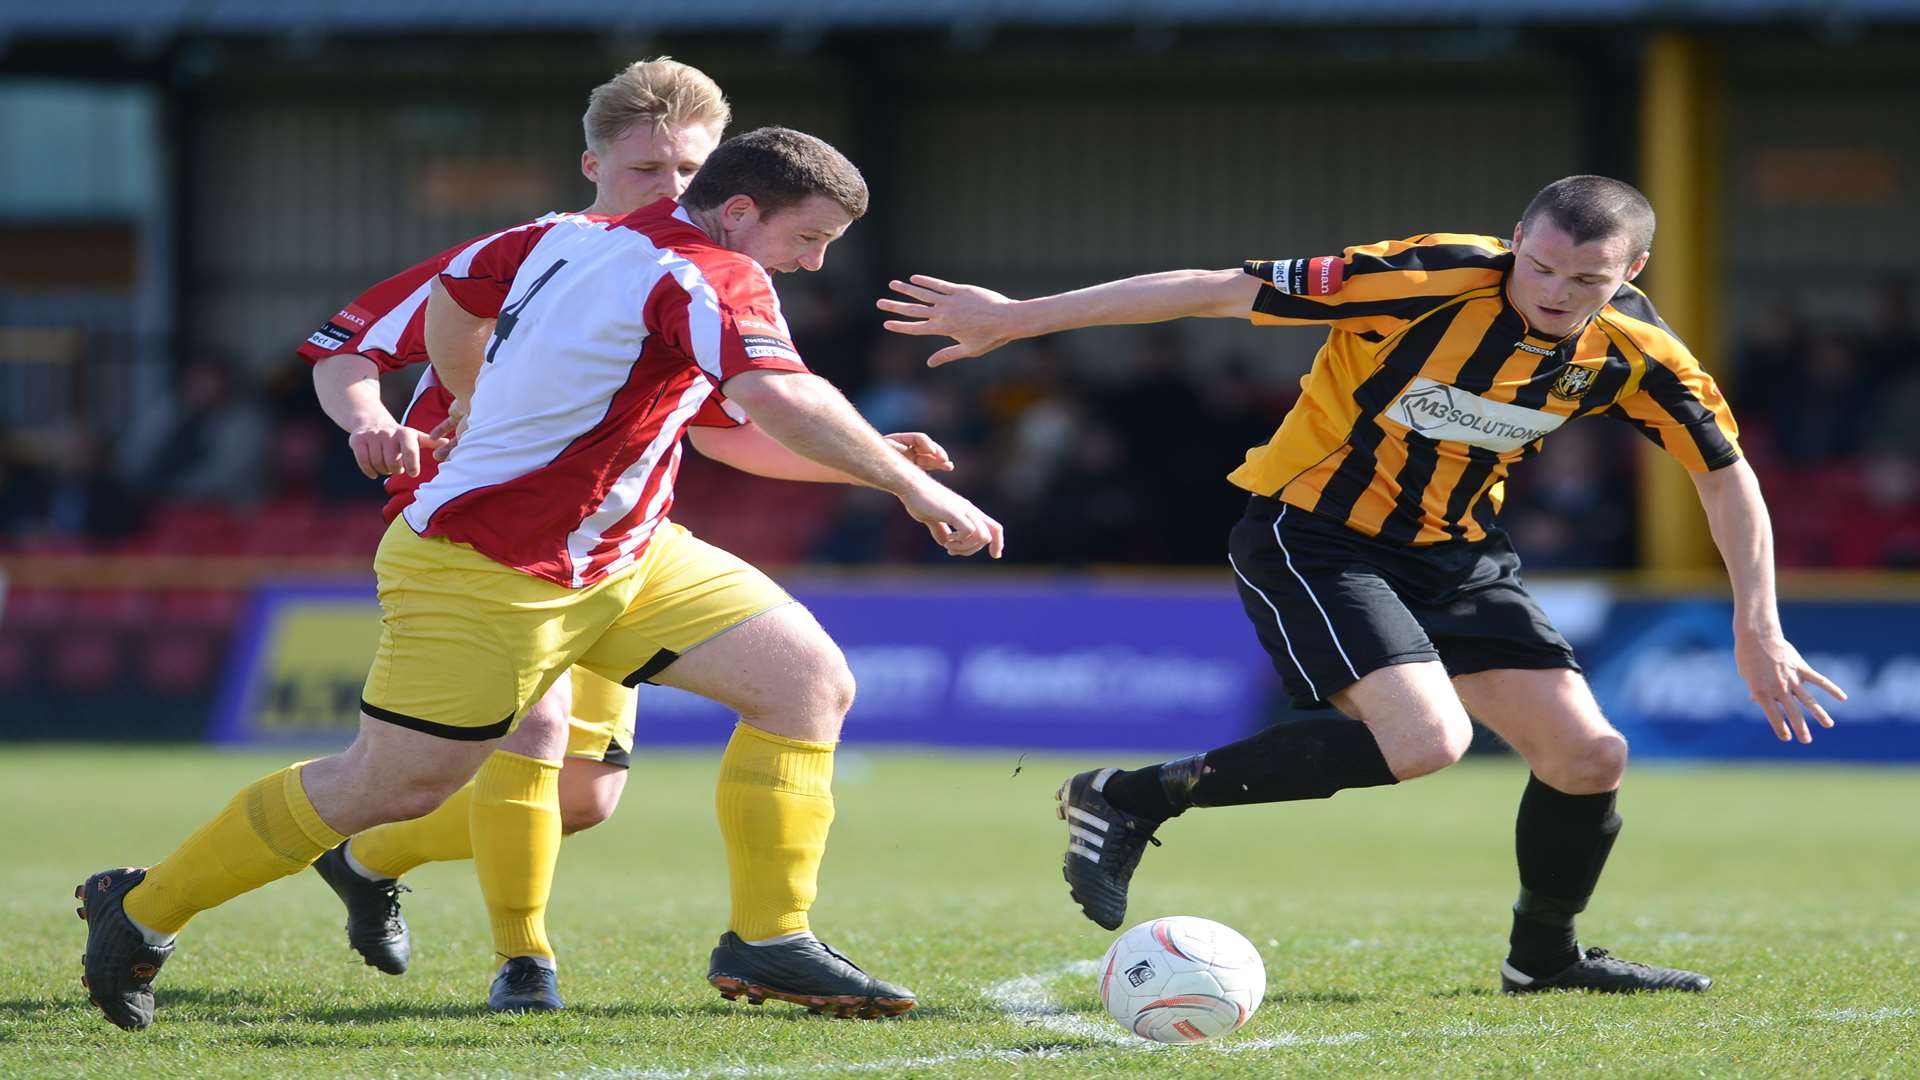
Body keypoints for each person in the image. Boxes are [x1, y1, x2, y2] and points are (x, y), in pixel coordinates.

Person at [77, 125, 1004, 1031]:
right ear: (741, 211)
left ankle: (770, 938)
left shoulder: (562, 239)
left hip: (627, 551)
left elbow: (460, 294)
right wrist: (914, 488)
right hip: (489, 564)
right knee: (390, 786)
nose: (808, 263)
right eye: (807, 239)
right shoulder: (711, 271)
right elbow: (777, 395)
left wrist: (474, 391)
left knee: (805, 683)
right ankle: (146, 906)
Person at [879, 175, 1845, 994]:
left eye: (1585, 279)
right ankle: (1131, 797)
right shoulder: (1418, 277)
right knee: (1429, 743)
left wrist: (1757, 626)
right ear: (1515, 242)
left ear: (1631, 273)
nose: (1553, 291)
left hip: (1459, 553)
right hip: (1314, 534)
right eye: (1539, 265)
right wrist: (1019, 318)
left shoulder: (1638, 353)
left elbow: (1725, 474)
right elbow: (1216, 289)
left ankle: (1542, 959)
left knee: (1591, 756)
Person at [295, 59, 954, 1013]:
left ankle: (366, 859)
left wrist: (868, 461)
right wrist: (369, 418)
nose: (675, 189)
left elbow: (732, 436)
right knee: (538, 730)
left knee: (583, 801)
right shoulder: (535, 250)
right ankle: (525, 964)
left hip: (607, 538)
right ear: (592, 163)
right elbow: (347, 348)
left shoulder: (687, 275)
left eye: (691, 167)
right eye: (650, 169)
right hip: (479, 532)